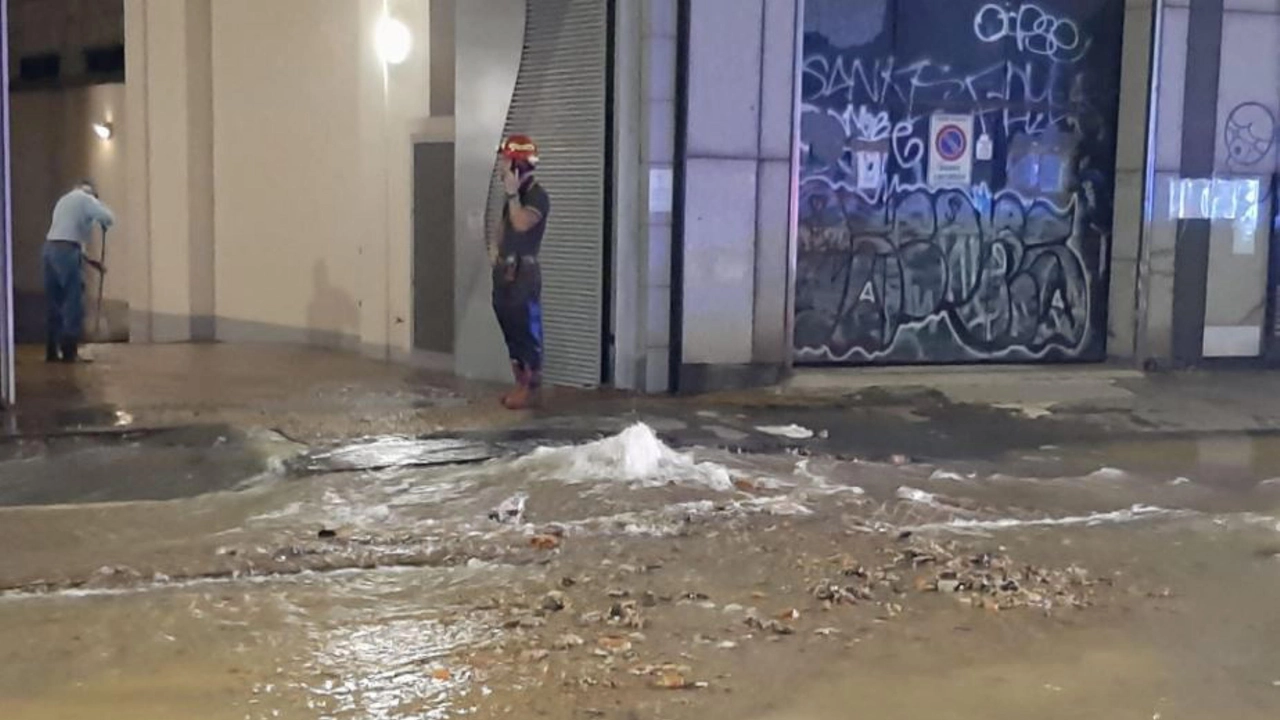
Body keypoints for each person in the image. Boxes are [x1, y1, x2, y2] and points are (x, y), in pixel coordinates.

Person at [492, 134, 551, 410]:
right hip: (505, 272)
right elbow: (504, 229)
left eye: (506, 163)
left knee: (526, 330)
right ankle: (518, 384)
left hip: (524, 275)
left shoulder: (537, 196)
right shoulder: (511, 198)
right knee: (511, 331)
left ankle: (530, 389)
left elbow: (521, 223)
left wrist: (513, 194)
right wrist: (496, 255)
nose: (502, 169)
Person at [43, 180, 114, 363]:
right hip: (66, 252)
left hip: (49, 251)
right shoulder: (85, 199)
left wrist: (92, 263)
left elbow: (65, 237)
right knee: (72, 300)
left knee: (55, 302)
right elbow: (108, 217)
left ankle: (52, 350)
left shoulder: (64, 201)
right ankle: (69, 351)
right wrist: (104, 222)